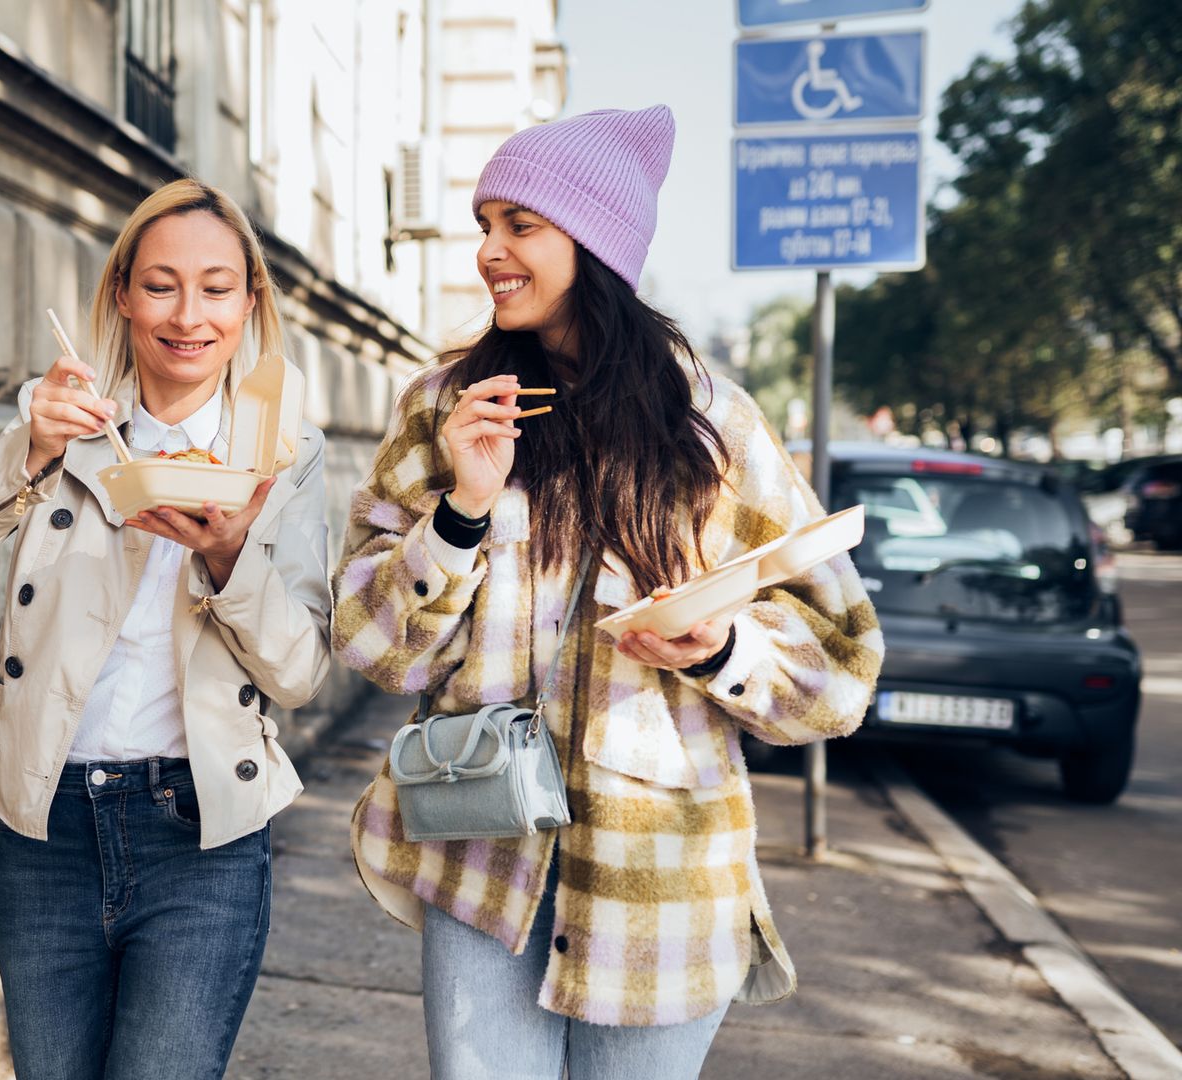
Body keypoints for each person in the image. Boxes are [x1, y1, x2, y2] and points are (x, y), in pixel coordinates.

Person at [333, 105, 884, 1078]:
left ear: (593, 241)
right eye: (484, 225)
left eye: (520, 225)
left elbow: (841, 666)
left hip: (663, 888)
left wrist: (719, 648)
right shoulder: (446, 408)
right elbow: (373, 648)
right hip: (480, 855)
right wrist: (462, 508)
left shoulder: (712, 428)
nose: (490, 252)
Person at [0, 178, 331, 1080]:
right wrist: (29, 451)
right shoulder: (67, 429)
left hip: (199, 832)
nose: (188, 314)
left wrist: (230, 559)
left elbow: (299, 672)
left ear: (251, 302)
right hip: (48, 828)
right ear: (122, 294)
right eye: (160, 284)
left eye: (216, 287)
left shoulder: (285, 455)